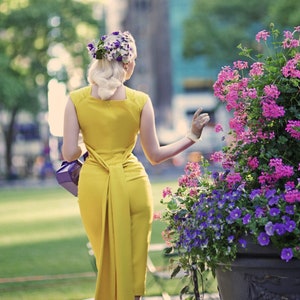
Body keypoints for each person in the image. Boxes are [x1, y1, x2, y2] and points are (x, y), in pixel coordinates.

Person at [62, 30, 210, 300]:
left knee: (106, 258)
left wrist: (86, 143)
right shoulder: (141, 101)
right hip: (133, 184)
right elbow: (154, 155)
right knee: (134, 263)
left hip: (94, 185)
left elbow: (70, 152)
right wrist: (191, 136)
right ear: (127, 64)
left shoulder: (76, 100)